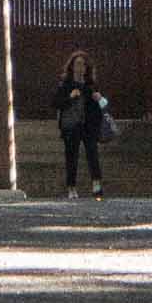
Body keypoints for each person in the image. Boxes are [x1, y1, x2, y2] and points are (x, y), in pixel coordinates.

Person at [54, 50, 111, 199]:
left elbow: (102, 105)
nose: (81, 68)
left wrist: (98, 99)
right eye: (78, 64)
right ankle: (71, 187)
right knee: (71, 156)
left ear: (87, 68)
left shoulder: (91, 85)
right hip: (71, 125)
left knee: (92, 153)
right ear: (72, 66)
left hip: (88, 125)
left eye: (83, 65)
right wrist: (70, 97)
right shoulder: (65, 85)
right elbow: (56, 103)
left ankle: (96, 184)